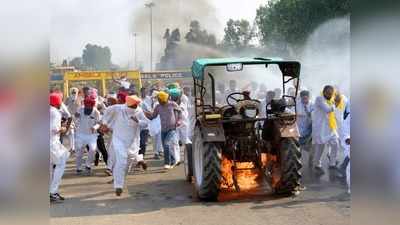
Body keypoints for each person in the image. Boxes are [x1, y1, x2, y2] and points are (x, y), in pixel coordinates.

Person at [101, 95, 148, 196]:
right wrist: (104, 123)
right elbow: (107, 111)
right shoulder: (119, 108)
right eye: (133, 106)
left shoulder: (139, 111)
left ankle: (121, 179)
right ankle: (118, 186)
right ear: (128, 105)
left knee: (127, 164)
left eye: (136, 105)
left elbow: (146, 123)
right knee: (121, 160)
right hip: (118, 140)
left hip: (132, 142)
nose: (135, 107)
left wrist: (138, 121)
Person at [145, 91, 182, 169]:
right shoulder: (158, 107)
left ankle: (167, 163)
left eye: (160, 100)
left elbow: (180, 112)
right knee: (166, 146)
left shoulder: (172, 104)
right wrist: (144, 113)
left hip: (172, 128)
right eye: (159, 100)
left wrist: (179, 121)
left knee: (166, 144)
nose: (159, 101)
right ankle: (173, 160)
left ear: (165, 99)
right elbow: (152, 116)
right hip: (163, 130)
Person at [311, 85, 340, 174]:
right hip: (321, 128)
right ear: (324, 92)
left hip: (330, 127)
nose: (330, 95)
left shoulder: (331, 99)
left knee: (336, 144)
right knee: (320, 147)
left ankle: (332, 163)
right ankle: (317, 164)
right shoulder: (319, 99)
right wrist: (335, 104)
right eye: (328, 93)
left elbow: (334, 111)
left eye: (331, 93)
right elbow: (327, 109)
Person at [49, 92, 70, 202]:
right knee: (61, 161)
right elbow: (54, 129)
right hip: (51, 142)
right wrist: (63, 128)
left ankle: (50, 191)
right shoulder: (55, 113)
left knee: (51, 166)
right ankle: (53, 192)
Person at [74, 96, 101, 175]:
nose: (87, 108)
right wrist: (76, 116)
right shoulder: (80, 109)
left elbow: (99, 123)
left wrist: (95, 127)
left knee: (93, 149)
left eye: (89, 107)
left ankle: (88, 165)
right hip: (80, 134)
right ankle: (78, 167)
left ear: (92, 106)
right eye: (86, 107)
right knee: (79, 150)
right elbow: (76, 118)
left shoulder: (96, 112)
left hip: (91, 135)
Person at [297, 90, 314, 165]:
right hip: (298, 129)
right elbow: (292, 113)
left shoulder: (312, 104)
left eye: (306, 98)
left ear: (309, 97)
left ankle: (311, 160)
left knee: (312, 147)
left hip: (309, 129)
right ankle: (298, 162)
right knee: (297, 147)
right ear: (300, 98)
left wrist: (309, 113)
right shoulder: (297, 104)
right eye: (303, 98)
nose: (305, 100)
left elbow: (315, 115)